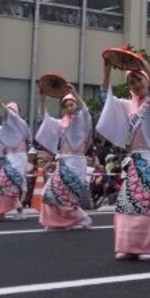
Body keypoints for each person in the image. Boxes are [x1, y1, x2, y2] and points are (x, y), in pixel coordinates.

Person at [97, 54, 150, 261]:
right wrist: (107, 71)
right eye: (131, 81)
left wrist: (146, 66)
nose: (136, 84)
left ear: (147, 80)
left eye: (139, 79)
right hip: (137, 161)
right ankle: (129, 246)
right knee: (127, 205)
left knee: (146, 204)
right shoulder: (128, 105)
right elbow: (106, 99)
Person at [35, 85, 93, 230]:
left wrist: (74, 93)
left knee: (68, 195)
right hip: (64, 163)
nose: (69, 107)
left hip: (77, 162)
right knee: (51, 193)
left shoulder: (83, 121)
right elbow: (44, 118)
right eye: (65, 105)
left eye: (71, 104)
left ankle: (82, 219)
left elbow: (85, 109)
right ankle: (56, 222)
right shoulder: (61, 124)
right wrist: (42, 99)